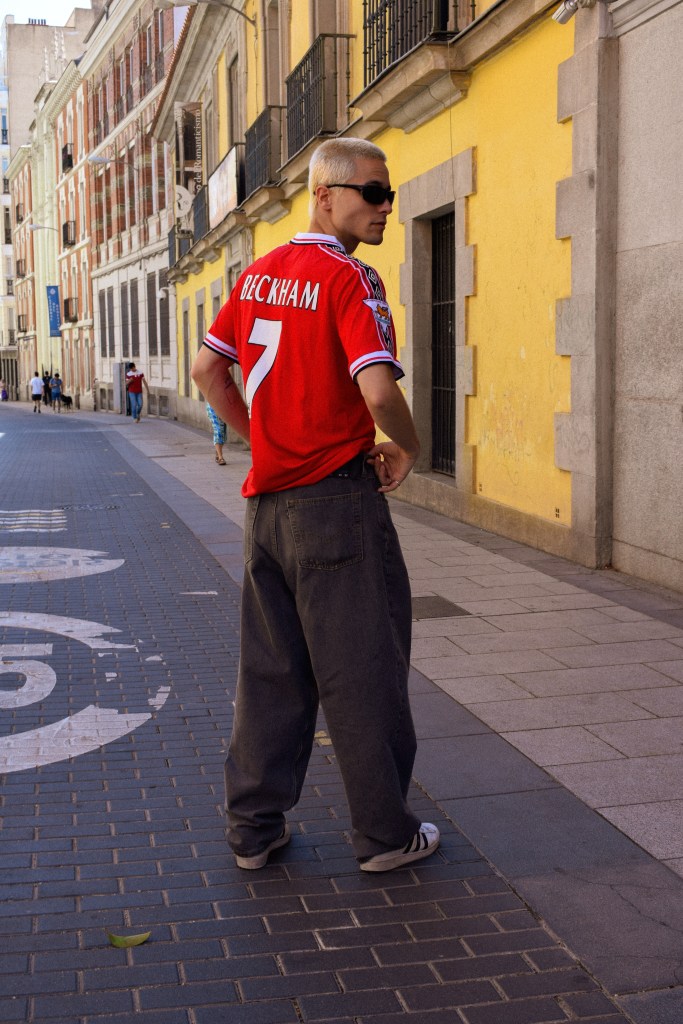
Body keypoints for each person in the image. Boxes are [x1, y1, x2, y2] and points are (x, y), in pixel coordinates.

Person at [191, 137, 439, 874]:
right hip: (335, 503)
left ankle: (253, 830)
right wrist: (408, 447)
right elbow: (377, 391)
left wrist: (261, 439)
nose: (386, 206)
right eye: (373, 191)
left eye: (389, 193)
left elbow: (206, 369)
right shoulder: (349, 278)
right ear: (325, 195)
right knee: (364, 670)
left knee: (271, 674)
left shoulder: (257, 274)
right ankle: (384, 836)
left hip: (268, 509)